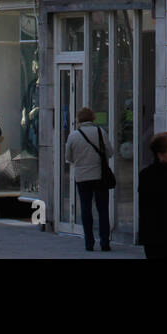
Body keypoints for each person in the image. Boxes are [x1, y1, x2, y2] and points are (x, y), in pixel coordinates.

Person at [63, 107, 113, 251]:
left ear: (79, 120)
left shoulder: (73, 136)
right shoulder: (100, 132)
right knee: (103, 209)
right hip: (100, 176)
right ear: (93, 118)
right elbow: (110, 152)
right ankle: (105, 242)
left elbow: (68, 157)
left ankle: (89, 242)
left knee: (86, 209)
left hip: (82, 177)